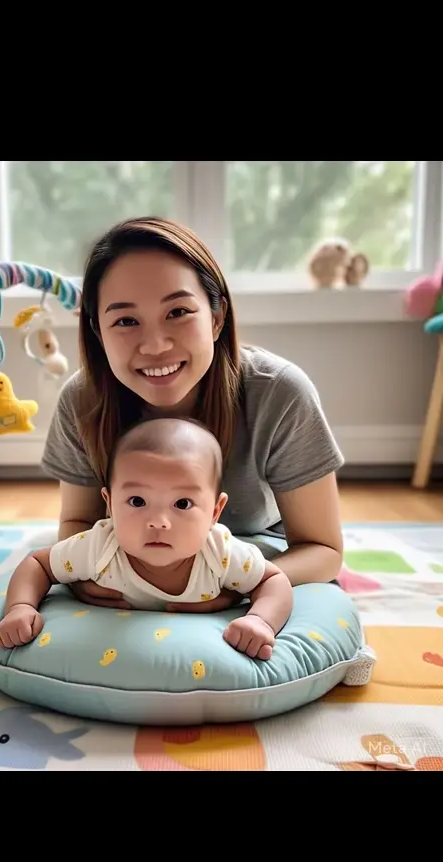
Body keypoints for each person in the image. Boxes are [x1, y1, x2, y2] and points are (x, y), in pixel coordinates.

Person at [40, 216, 345, 614]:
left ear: (217, 317)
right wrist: (84, 580)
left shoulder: (280, 392)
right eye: (126, 321)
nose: (155, 345)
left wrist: (239, 586)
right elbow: (78, 524)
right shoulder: (83, 400)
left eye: (178, 312)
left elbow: (323, 550)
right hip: (132, 560)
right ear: (98, 331)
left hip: (256, 555)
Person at [0, 417, 293, 660]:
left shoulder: (221, 553)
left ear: (215, 512)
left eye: (182, 504)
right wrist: (20, 607)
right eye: (137, 501)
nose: (158, 522)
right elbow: (38, 563)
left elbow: (273, 581)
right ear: (109, 504)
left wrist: (260, 620)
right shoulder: (100, 546)